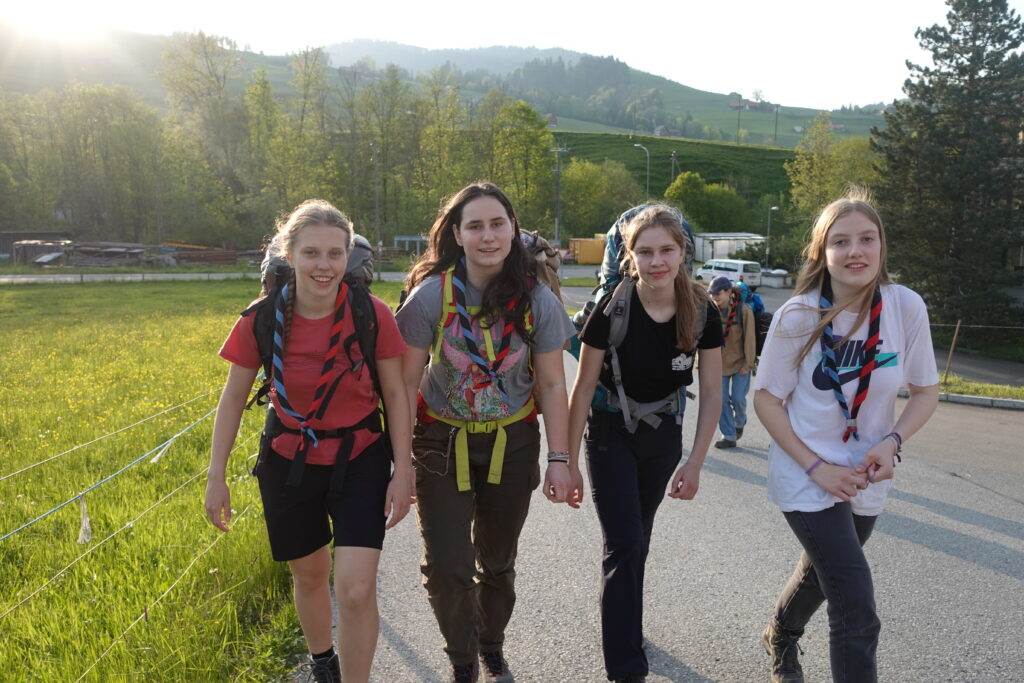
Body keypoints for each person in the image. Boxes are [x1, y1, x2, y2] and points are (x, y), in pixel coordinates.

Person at [204, 199, 414, 683]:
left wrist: (403, 470)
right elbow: (232, 398)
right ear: (290, 254)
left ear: (348, 256)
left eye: (335, 253)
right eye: (312, 253)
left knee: (356, 589)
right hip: (288, 460)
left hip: (360, 458)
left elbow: (396, 395)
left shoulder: (371, 314)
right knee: (310, 573)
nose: (324, 265)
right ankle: (323, 662)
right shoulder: (260, 319)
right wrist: (216, 476)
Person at [752, 190, 939, 683]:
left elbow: (926, 391)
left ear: (881, 246)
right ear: (822, 252)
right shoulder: (798, 316)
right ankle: (789, 643)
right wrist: (817, 468)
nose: (855, 251)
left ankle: (780, 633)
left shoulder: (904, 307)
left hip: (864, 474)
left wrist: (892, 442)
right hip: (807, 472)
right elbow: (766, 400)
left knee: (821, 575)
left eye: (867, 239)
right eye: (841, 242)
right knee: (855, 602)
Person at [396, 182, 576, 683]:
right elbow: (405, 382)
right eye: (475, 226)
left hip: (511, 442)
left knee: (497, 562)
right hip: (440, 441)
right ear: (457, 234)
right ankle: (463, 660)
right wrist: (400, 464)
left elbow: (552, 383)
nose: (488, 235)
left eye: (497, 224)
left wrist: (559, 460)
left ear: (513, 229)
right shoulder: (431, 296)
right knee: (447, 565)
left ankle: (491, 643)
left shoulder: (537, 300)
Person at [567, 205, 723, 682]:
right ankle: (627, 668)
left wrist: (696, 463)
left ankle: (625, 620)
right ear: (629, 256)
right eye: (646, 251)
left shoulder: (703, 312)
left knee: (639, 537)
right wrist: (566, 462)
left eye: (667, 250)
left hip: (662, 438)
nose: (657, 261)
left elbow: (712, 392)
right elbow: (583, 387)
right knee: (625, 543)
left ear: (683, 253)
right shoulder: (610, 309)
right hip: (609, 432)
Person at [708, 276, 756, 449]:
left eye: (718, 293)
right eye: (712, 294)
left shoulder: (744, 311)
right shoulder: (710, 310)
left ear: (728, 292)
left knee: (737, 398)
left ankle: (739, 422)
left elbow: (750, 339)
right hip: (719, 364)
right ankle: (729, 435)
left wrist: (748, 364)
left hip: (740, 363)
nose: (714, 297)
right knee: (720, 400)